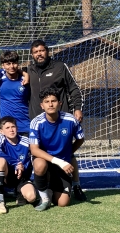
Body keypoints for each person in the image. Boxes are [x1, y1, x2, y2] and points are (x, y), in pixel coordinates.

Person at [28, 40, 86, 201]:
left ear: (47, 51)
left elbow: (73, 88)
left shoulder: (60, 67)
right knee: (40, 156)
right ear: (32, 55)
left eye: (41, 50)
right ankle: (44, 190)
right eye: (35, 52)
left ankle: (76, 185)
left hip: (61, 119)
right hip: (39, 120)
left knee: (67, 152)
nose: (39, 54)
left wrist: (77, 108)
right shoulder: (29, 70)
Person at [29, 87, 85, 211]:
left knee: (63, 202)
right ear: (42, 105)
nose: (50, 104)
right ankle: (44, 199)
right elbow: (34, 150)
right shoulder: (36, 122)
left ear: (59, 104)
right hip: (47, 161)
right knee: (39, 165)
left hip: (63, 164)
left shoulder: (70, 120)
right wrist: (59, 161)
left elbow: (80, 139)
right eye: (46, 101)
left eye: (53, 101)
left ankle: (50, 188)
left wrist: (69, 153)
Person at [0, 116, 37, 214]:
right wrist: (16, 162)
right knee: (0, 160)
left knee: (32, 197)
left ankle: (20, 193)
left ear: (17, 128)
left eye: (13, 127)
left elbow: (36, 153)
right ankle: (0, 199)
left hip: (21, 177)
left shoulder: (26, 141)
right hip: (7, 176)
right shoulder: (1, 138)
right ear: (1, 131)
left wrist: (23, 167)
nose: (11, 130)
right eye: (7, 128)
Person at [0, 51, 31, 136]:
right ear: (3, 65)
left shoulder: (25, 80)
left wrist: (25, 74)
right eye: (8, 64)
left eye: (14, 63)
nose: (12, 66)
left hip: (25, 125)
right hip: (7, 127)